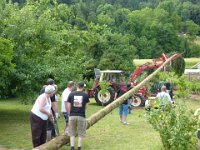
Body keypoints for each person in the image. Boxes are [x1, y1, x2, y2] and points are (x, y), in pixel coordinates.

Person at [67, 81, 89, 150]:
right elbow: (86, 106)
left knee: (72, 132)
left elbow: (68, 105)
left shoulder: (71, 94)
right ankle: (79, 147)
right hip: (81, 116)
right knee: (81, 133)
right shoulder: (85, 95)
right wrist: (82, 111)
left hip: (72, 115)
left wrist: (69, 114)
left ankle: (72, 147)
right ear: (83, 87)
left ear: (77, 86)